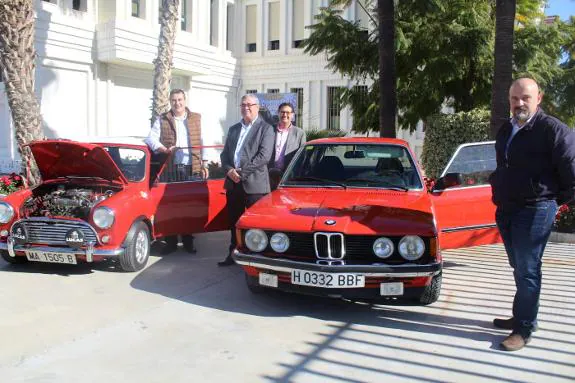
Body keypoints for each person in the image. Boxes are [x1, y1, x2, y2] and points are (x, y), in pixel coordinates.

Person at [489, 77, 575, 351]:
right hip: (508, 209)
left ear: (539, 98)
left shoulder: (553, 130)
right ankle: (521, 315)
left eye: (525, 97)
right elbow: (503, 165)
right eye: (514, 98)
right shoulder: (507, 129)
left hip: (535, 209)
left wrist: (552, 201)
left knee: (528, 269)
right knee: (520, 266)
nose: (519, 103)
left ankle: (524, 328)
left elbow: (571, 173)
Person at [145, 88, 209, 255]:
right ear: (170, 102)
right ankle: (171, 242)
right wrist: (163, 149)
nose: (177, 103)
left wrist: (205, 163)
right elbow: (150, 138)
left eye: (180, 100)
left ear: (184, 100)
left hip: (192, 166)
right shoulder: (163, 118)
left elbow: (204, 139)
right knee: (170, 206)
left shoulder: (197, 118)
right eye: (174, 100)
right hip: (171, 167)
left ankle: (188, 241)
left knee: (189, 206)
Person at [217, 94, 275, 266]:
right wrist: (229, 171)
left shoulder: (266, 128)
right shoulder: (234, 129)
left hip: (255, 185)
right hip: (233, 184)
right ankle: (233, 254)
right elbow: (224, 154)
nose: (246, 107)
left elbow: (264, 157)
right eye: (243, 104)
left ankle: (257, 258)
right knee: (234, 222)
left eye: (250, 105)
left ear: (257, 107)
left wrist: (241, 173)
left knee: (257, 224)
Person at [268, 102, 306, 190]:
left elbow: (302, 157)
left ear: (292, 115)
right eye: (282, 112)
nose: (285, 115)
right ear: (278, 113)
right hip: (268, 175)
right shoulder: (269, 130)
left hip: (288, 177)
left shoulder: (299, 133)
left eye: (288, 113)